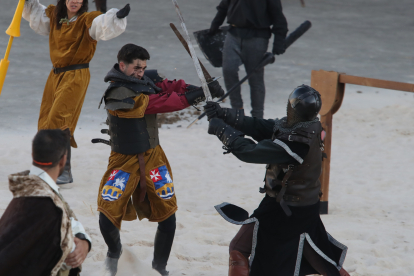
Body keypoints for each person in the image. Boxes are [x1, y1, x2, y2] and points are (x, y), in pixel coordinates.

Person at [93, 43, 224, 276]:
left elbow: (170, 86)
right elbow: (157, 103)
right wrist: (198, 95)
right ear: (122, 65)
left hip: (154, 157)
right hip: (124, 161)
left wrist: (203, 87)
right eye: (135, 68)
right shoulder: (116, 93)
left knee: (168, 211)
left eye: (143, 68)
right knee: (108, 210)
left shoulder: (145, 80)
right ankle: (115, 253)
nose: (140, 72)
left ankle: (159, 268)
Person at [204, 85, 350, 276]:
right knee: (320, 259)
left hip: (291, 213)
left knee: (319, 260)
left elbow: (251, 152)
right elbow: (262, 126)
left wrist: (225, 132)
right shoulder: (306, 125)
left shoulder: (297, 143)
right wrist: (225, 115)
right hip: (284, 205)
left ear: (293, 107)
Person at [22, 0, 130, 184]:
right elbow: (37, 14)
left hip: (75, 74)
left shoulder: (87, 20)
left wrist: (116, 18)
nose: (75, 1)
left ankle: (63, 171)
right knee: (46, 119)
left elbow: (101, 24)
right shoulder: (56, 16)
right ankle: (43, 168)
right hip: (55, 74)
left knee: (60, 119)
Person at [0, 129, 92, 276]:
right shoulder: (48, 205)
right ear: (63, 160)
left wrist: (84, 241)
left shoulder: (29, 188)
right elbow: (69, 252)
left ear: (33, 156)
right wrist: (81, 244)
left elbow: (69, 218)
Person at [208, 0, 288, 119]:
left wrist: (279, 41)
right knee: (228, 70)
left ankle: (257, 117)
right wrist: (215, 25)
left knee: (255, 78)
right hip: (233, 34)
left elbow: (278, 16)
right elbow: (224, 6)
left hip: (258, 37)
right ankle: (237, 111)